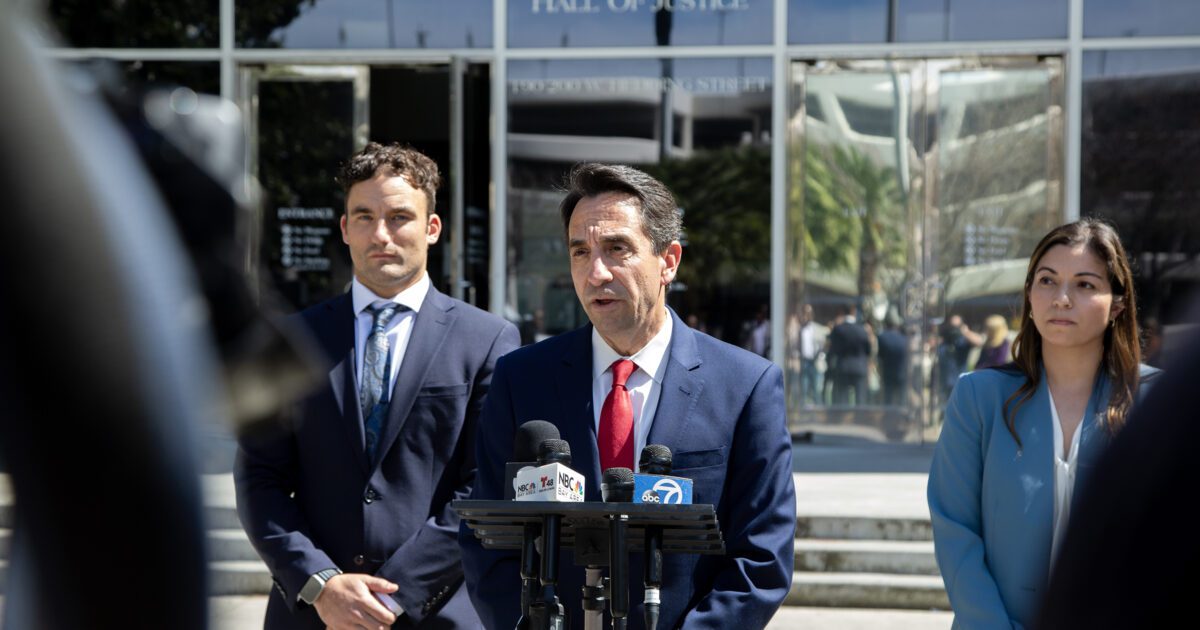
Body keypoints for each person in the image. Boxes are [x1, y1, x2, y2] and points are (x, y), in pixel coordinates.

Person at [460, 163, 796, 629]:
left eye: (617, 249)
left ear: (668, 261)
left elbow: (761, 558)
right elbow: (486, 539)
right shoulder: (521, 378)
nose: (596, 272)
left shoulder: (746, 386)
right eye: (580, 252)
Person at [235, 143, 520, 629]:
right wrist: (321, 583)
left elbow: (487, 487)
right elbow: (259, 479)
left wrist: (393, 596)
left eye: (399, 217)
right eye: (364, 217)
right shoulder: (289, 340)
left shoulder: (488, 340)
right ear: (345, 228)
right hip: (314, 614)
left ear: (432, 228)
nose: (381, 234)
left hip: (437, 613)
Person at [927, 218, 1160, 629]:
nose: (1062, 299)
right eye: (1048, 281)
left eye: (1085, 284)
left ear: (1118, 305)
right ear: (1030, 295)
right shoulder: (978, 398)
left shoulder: (1153, 403)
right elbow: (955, 531)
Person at [827, 304, 872, 405]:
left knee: (842, 401)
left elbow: (832, 349)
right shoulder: (862, 330)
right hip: (859, 367)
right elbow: (868, 350)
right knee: (860, 401)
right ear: (853, 311)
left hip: (843, 367)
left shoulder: (838, 329)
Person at [876, 312, 909, 407]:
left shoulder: (882, 337)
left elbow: (880, 355)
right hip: (902, 372)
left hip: (888, 372)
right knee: (902, 400)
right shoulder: (904, 338)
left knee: (888, 399)